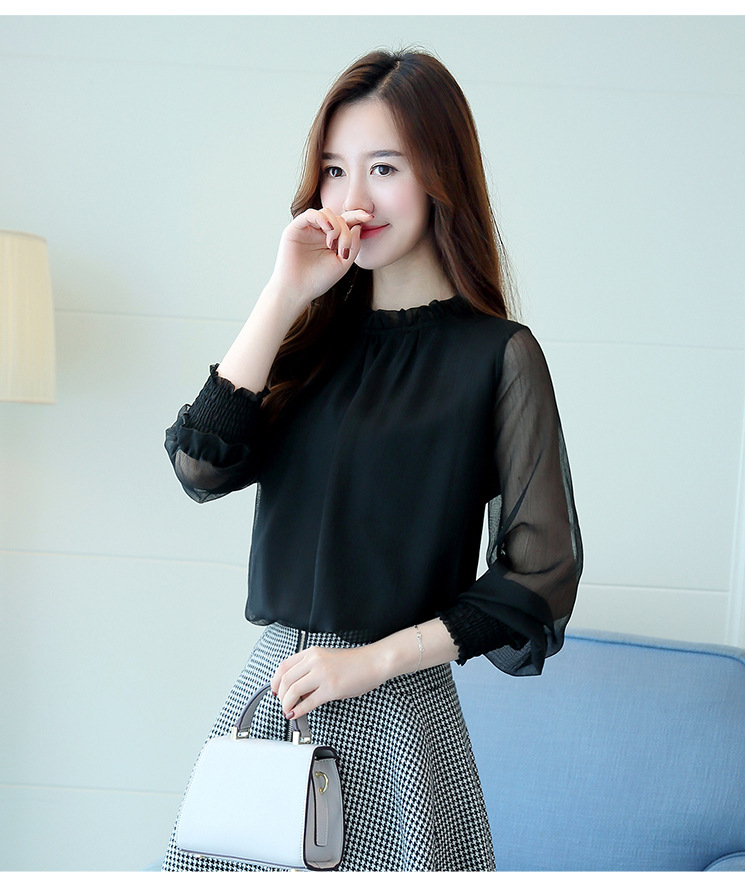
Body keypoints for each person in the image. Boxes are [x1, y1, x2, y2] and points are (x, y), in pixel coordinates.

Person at [161, 48, 582, 873]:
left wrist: (375, 661)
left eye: (384, 168)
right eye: (333, 170)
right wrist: (284, 293)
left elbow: (539, 573)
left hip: (400, 714)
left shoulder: (497, 357)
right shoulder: (309, 338)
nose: (353, 199)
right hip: (279, 697)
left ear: (439, 177)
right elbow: (199, 464)